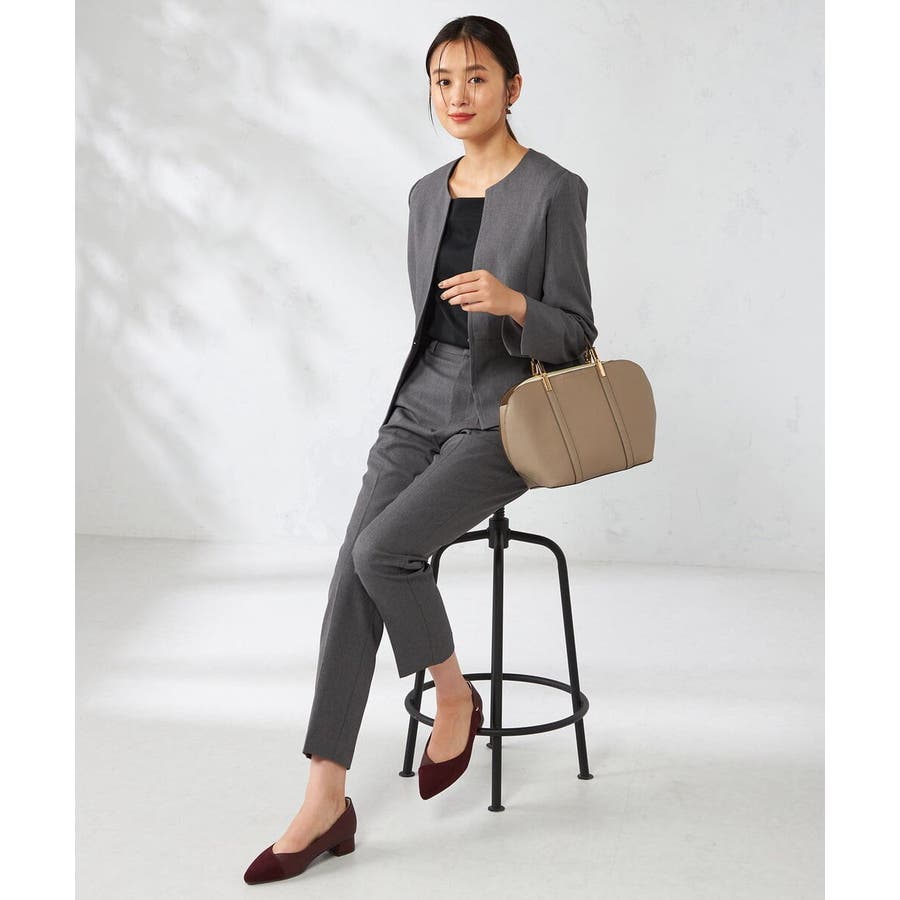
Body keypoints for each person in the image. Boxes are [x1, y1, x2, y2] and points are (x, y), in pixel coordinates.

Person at [244, 15, 597, 885]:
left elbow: (579, 333)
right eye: (442, 80)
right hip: (418, 403)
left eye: (476, 78)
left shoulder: (555, 190)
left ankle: (452, 692)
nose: (457, 96)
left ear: (512, 88)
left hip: (504, 414)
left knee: (384, 552)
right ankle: (325, 796)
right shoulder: (422, 195)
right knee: (351, 571)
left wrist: (514, 304)